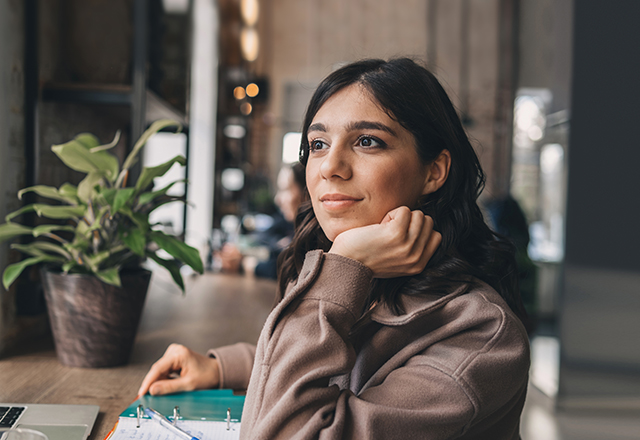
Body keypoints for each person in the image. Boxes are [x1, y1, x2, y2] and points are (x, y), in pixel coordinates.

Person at [138, 58, 530, 439]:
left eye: (367, 141)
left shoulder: (483, 335)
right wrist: (220, 366)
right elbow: (342, 359)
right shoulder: (373, 277)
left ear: (434, 172)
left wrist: (344, 265)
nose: (330, 166)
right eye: (319, 143)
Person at [253, 162, 307, 279]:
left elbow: (287, 270)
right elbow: (263, 235)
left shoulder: (315, 237)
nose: (278, 199)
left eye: (285, 189)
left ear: (306, 192)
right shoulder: (289, 223)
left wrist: (250, 266)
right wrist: (279, 243)